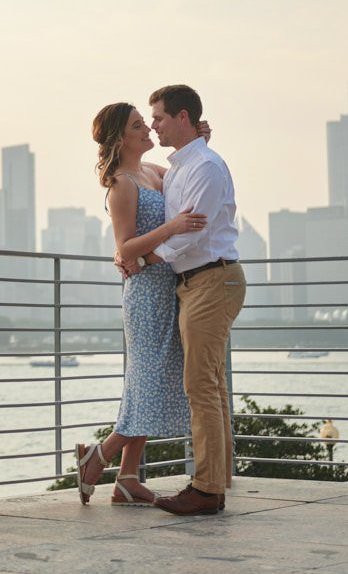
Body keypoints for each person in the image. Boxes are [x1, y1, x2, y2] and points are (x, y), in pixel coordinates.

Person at [74, 102, 209, 506]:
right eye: (138, 125)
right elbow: (125, 248)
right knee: (146, 387)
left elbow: (186, 181)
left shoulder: (154, 172)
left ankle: (128, 478)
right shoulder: (121, 184)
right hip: (146, 295)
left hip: (173, 287)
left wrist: (199, 142)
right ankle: (96, 461)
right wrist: (172, 227)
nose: (149, 128)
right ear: (121, 138)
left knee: (146, 385)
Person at [137, 84, 245, 516]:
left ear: (182, 117)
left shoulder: (203, 167)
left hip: (211, 279)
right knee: (211, 385)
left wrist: (145, 257)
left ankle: (206, 489)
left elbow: (193, 234)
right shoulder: (184, 165)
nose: (153, 125)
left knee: (200, 386)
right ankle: (216, 480)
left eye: (159, 117)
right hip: (197, 281)